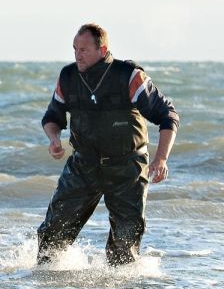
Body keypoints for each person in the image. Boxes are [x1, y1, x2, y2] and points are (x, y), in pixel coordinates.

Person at [36, 23, 179, 266]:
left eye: (83, 50)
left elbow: (168, 116)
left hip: (127, 167)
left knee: (124, 245)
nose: (77, 55)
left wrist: (161, 159)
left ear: (102, 50)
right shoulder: (68, 77)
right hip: (84, 165)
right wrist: (54, 139)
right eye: (74, 49)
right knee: (52, 234)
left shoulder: (129, 76)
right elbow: (52, 117)